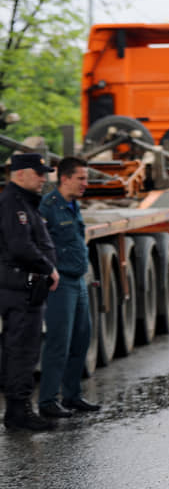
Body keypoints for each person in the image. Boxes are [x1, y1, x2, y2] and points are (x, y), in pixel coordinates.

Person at [0, 153, 60, 431]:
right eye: (39, 174)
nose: (43, 179)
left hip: (24, 288)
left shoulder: (23, 201)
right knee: (21, 350)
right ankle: (18, 413)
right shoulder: (13, 204)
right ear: (20, 173)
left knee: (23, 349)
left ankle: (19, 409)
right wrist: (49, 268)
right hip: (19, 289)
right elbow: (20, 246)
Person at [38, 157, 100, 418]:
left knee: (81, 339)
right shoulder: (48, 207)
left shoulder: (73, 204)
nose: (85, 183)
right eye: (81, 178)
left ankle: (72, 395)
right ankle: (48, 401)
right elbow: (40, 244)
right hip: (60, 283)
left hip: (79, 280)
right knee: (58, 343)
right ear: (64, 178)